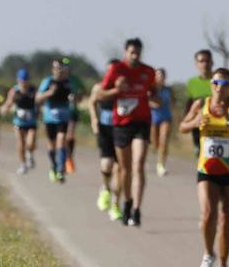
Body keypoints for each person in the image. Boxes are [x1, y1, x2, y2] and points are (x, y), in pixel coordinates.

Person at [180, 67, 229, 267]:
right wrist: (194, 123)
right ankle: (207, 255)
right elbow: (182, 126)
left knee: (226, 219)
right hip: (207, 170)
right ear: (211, 85)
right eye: (216, 83)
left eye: (225, 84)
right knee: (208, 214)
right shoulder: (201, 104)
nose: (220, 88)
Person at [93, 37, 158, 227]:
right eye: (132, 52)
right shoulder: (117, 70)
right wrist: (116, 90)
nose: (135, 55)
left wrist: (154, 96)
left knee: (139, 164)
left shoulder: (148, 71)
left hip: (142, 122)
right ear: (125, 52)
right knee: (124, 168)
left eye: (138, 52)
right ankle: (127, 201)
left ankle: (137, 208)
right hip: (121, 123)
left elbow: (153, 91)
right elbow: (100, 95)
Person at [89, 59, 123, 221]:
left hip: (122, 129)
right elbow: (91, 102)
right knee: (107, 164)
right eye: (110, 71)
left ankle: (116, 204)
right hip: (105, 128)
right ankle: (105, 188)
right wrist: (94, 120)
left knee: (120, 169)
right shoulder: (99, 87)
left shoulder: (124, 87)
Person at [37, 58, 78, 183]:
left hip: (63, 117)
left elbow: (77, 96)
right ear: (52, 69)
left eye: (60, 68)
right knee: (52, 144)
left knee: (61, 139)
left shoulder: (68, 83)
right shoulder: (47, 81)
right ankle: (53, 166)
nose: (58, 71)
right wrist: (49, 93)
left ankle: (61, 168)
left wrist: (74, 97)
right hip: (49, 118)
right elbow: (38, 98)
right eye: (56, 68)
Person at [3, 68, 39, 174]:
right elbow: (9, 102)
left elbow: (39, 100)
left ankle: (30, 154)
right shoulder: (14, 91)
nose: (24, 83)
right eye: (22, 80)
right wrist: (5, 108)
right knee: (20, 143)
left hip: (31, 121)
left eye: (25, 80)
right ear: (18, 80)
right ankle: (23, 164)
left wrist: (39, 109)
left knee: (31, 142)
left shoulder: (33, 90)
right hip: (19, 121)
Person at [182, 49, 215, 150]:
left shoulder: (218, 81)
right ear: (196, 64)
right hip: (199, 127)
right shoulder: (191, 83)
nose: (204, 64)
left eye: (207, 61)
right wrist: (189, 121)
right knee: (201, 157)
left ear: (212, 63)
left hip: (216, 126)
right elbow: (188, 106)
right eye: (201, 61)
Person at [60, 58, 85, 175]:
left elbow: (83, 92)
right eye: (63, 66)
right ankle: (62, 159)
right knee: (61, 138)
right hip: (60, 113)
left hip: (72, 111)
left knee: (70, 137)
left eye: (67, 66)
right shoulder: (57, 80)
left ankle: (69, 158)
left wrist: (77, 97)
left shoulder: (75, 80)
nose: (65, 69)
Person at [151, 67, 174, 176]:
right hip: (153, 117)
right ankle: (157, 155)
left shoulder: (168, 89)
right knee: (155, 144)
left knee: (163, 141)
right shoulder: (151, 89)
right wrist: (152, 104)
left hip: (166, 117)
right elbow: (144, 101)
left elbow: (173, 102)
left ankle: (161, 165)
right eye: (158, 75)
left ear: (165, 77)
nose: (160, 77)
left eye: (162, 75)